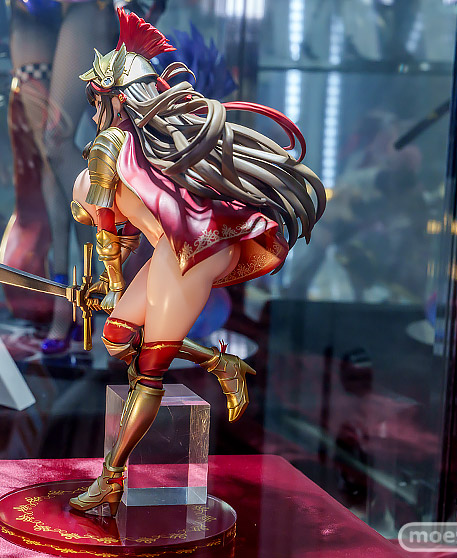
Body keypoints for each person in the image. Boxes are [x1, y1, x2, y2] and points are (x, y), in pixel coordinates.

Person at [67, 10, 326, 515]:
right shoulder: (146, 147)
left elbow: (107, 233)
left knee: (148, 372)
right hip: (180, 249)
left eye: (96, 98)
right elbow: (122, 232)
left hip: (190, 253)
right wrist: (111, 286)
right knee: (117, 337)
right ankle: (221, 362)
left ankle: (112, 480)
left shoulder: (109, 147)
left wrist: (112, 284)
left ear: (113, 97)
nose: (94, 110)